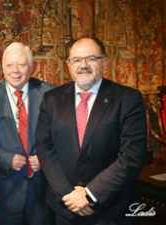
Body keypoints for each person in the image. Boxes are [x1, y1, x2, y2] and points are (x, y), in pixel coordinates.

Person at [35, 37, 147, 225]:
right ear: (68, 65)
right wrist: (69, 196)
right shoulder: (51, 100)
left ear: (104, 62)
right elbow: (45, 149)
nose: (84, 65)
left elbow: (131, 157)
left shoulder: (128, 99)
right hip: (65, 208)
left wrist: (90, 194)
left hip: (110, 210)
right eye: (77, 60)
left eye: (91, 58)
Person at [0, 42, 56, 225]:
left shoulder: (51, 94)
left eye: (21, 64)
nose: (15, 70)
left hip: (42, 189)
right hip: (6, 190)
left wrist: (45, 158)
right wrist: (6, 158)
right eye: (9, 65)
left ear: (31, 67)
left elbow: (62, 137)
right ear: (2, 68)